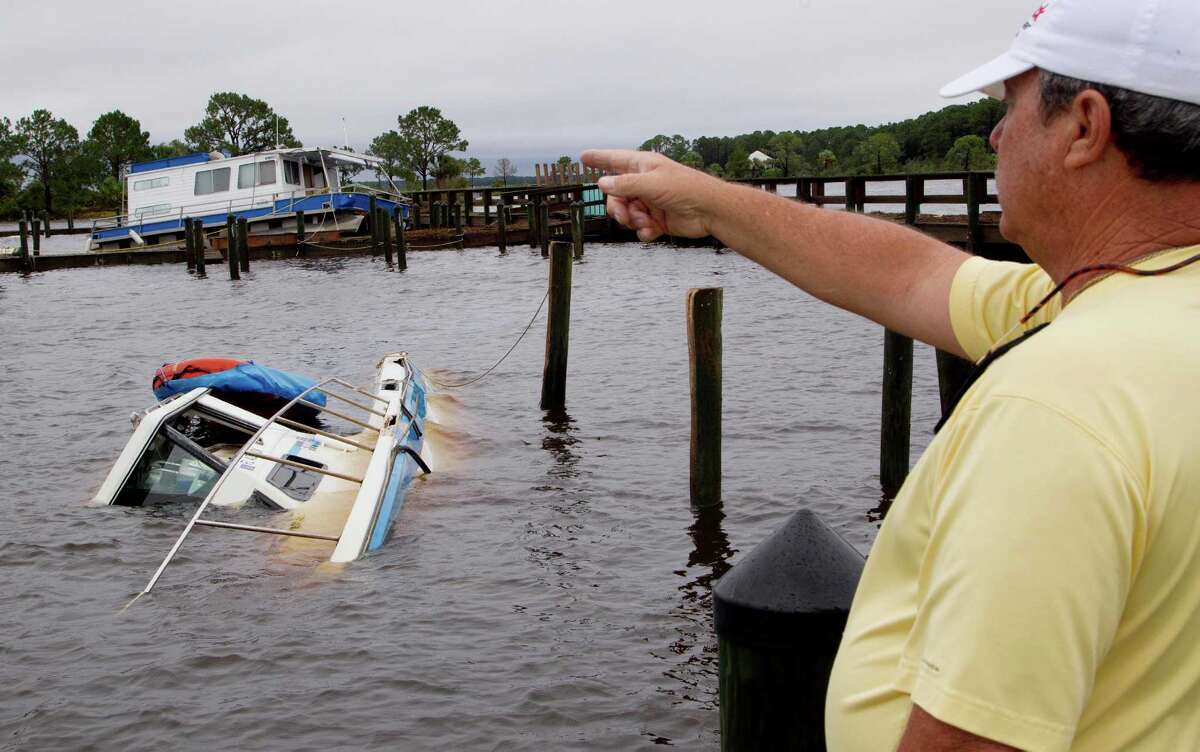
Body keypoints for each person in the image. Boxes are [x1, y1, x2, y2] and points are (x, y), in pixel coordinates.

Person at [583, 0, 1200, 749]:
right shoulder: (1133, 305)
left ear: (1085, 127)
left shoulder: (1058, 402)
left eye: (1010, 106)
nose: (996, 135)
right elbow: (911, 275)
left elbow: (976, 741)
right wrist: (712, 203)